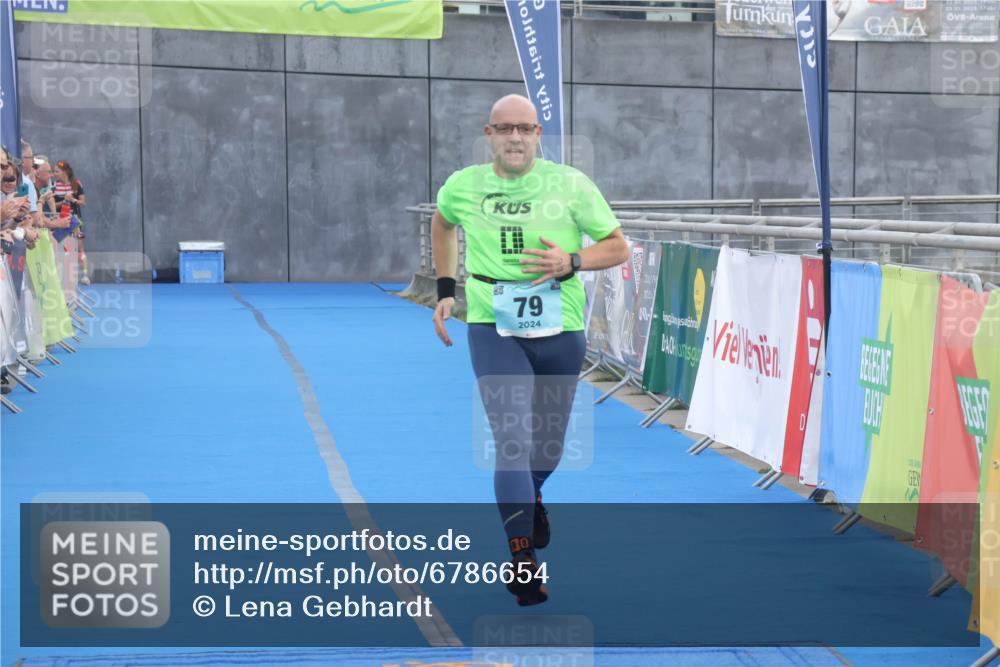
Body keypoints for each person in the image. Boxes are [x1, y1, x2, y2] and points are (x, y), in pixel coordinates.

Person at [431, 94, 628, 606]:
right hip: (493, 326)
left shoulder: (571, 184)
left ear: (538, 133)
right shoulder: (463, 185)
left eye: (525, 128)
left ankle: (532, 494)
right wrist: (446, 291)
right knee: (512, 441)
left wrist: (573, 260)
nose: (515, 137)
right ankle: (521, 560)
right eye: (504, 129)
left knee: (548, 448)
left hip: (560, 328)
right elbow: (442, 223)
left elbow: (618, 245)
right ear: (489, 133)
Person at [53, 160, 88, 284]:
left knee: (79, 248)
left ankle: (84, 275)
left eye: (57, 171)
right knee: (63, 249)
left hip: (75, 221)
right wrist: (63, 201)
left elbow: (83, 202)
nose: (55, 174)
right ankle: (66, 278)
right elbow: (52, 204)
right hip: (60, 222)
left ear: (64, 172)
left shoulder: (76, 184)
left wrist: (72, 199)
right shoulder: (54, 185)